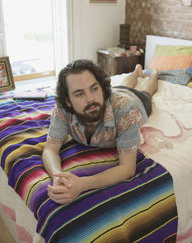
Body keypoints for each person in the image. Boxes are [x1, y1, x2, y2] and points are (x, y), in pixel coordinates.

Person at [43, 59, 158, 204]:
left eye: (94, 88)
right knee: (124, 86)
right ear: (68, 101)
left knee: (146, 92)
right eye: (79, 94)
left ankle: (154, 74)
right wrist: (57, 176)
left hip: (137, 101)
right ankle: (136, 71)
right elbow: (50, 148)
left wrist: (82, 184)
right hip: (117, 94)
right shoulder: (62, 109)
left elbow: (127, 168)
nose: (90, 99)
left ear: (102, 89)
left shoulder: (125, 109)